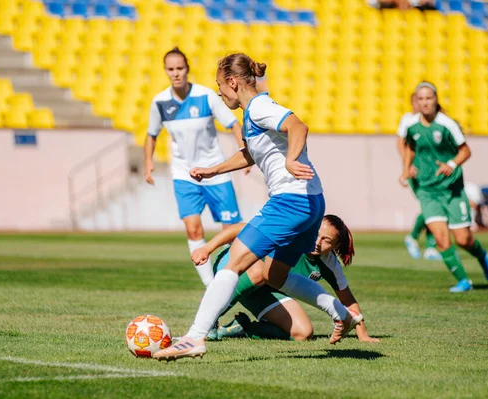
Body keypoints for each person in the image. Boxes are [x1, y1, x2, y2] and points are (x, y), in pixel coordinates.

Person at [154, 53, 362, 361]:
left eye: (219, 85)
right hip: (310, 202)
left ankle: (195, 337)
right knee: (275, 275)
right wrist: (214, 171)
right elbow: (250, 155)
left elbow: (298, 127)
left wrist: (291, 160)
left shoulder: (261, 107)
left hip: (291, 200)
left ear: (233, 82)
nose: (219, 92)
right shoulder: (252, 113)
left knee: (233, 264)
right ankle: (340, 313)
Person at [144, 47, 245, 288]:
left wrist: (245, 153)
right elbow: (151, 134)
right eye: (171, 69)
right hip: (184, 175)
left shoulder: (207, 96)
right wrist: (148, 163)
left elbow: (233, 123)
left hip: (215, 172)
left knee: (231, 231)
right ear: (166, 71)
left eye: (180, 68)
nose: (176, 73)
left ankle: (234, 278)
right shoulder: (160, 102)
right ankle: (211, 286)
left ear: (187, 69)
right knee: (192, 228)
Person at [192, 215, 379, 343]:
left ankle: (245, 328)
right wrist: (207, 249)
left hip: (264, 288)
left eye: (327, 240)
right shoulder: (292, 233)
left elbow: (348, 300)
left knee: (303, 333)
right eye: (316, 234)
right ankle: (209, 321)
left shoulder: (329, 264)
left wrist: (362, 334)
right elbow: (241, 228)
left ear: (336, 246)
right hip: (234, 267)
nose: (317, 242)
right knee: (260, 270)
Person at [399, 82, 488, 293]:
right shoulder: (411, 126)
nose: (425, 103)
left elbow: (465, 151)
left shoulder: (447, 124)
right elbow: (409, 147)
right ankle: (464, 281)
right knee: (442, 240)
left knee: (463, 239)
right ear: (417, 101)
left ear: (436, 100)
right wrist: (406, 169)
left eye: (429, 98)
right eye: (421, 99)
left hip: (451, 190)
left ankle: (481, 254)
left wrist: (451, 165)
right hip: (427, 191)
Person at [397, 93, 442, 261]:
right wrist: (408, 166)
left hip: (432, 172)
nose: (422, 103)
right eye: (418, 100)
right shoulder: (409, 120)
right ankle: (414, 237)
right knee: (429, 206)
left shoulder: (433, 121)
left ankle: (431, 246)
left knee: (435, 207)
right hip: (417, 172)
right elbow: (401, 143)